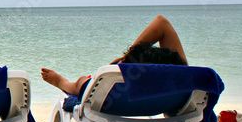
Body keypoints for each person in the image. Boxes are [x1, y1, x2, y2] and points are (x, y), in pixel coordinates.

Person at [40, 14, 187, 97]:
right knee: (181, 69)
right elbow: (162, 23)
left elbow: (161, 22)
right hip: (165, 95)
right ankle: (126, 61)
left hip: (114, 94)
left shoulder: (115, 88)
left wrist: (125, 59)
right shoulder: (183, 82)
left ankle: (61, 82)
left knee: (81, 82)